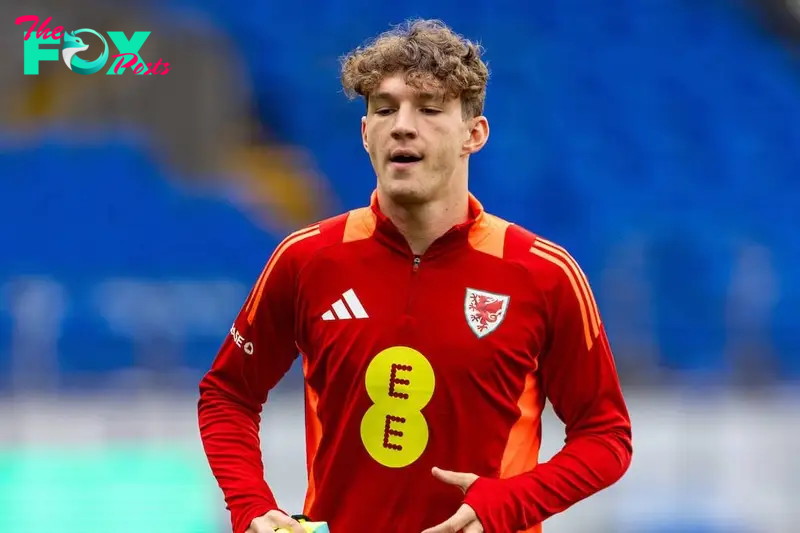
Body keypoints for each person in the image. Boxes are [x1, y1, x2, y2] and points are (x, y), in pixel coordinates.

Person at [198, 18, 633, 533]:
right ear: (365, 134)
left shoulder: (542, 273)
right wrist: (249, 505)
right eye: (384, 109)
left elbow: (605, 436)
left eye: (428, 109)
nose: (402, 125)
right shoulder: (308, 258)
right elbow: (228, 395)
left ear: (474, 134)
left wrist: (511, 503)